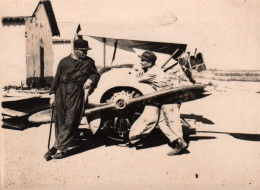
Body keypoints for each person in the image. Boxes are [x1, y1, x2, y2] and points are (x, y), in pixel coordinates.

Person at [44, 39, 100, 160]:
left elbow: (95, 74)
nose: (85, 53)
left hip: (76, 93)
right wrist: (52, 95)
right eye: (83, 51)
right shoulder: (63, 62)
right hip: (61, 92)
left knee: (72, 120)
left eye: (86, 50)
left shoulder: (89, 62)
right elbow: (56, 78)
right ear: (75, 50)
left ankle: (57, 148)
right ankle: (60, 146)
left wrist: (90, 80)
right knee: (60, 121)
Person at [129, 51, 188, 155]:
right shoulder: (154, 69)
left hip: (170, 97)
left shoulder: (153, 71)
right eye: (141, 60)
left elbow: (137, 80)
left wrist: (138, 70)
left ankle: (180, 144)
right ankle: (178, 142)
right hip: (166, 96)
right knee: (161, 122)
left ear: (150, 63)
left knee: (172, 121)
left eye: (143, 60)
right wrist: (140, 69)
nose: (141, 62)